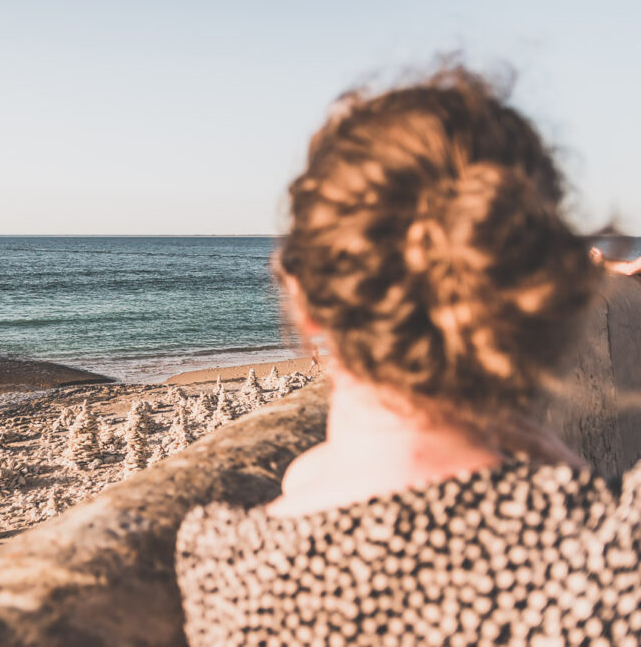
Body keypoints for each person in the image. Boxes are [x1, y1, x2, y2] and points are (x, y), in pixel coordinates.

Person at [176, 67, 641, 644]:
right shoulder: (611, 557)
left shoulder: (221, 566)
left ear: (304, 297)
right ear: (542, 302)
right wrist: (576, 486)